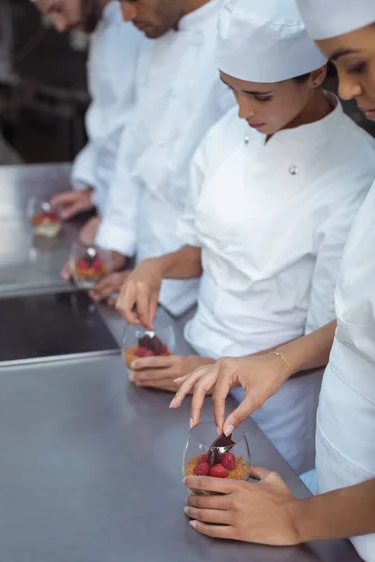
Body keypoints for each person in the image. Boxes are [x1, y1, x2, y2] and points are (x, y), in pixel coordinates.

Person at [115, 0, 375, 474]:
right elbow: (207, 250)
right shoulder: (226, 134)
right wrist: (157, 266)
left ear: (317, 73)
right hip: (190, 361)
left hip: (272, 404)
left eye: (259, 95)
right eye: (230, 91)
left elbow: (336, 335)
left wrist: (215, 370)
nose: (241, 112)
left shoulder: (355, 172)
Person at [172, 0, 375, 562]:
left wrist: (297, 519)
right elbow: (361, 318)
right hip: (336, 488)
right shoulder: (229, 134)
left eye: (355, 64)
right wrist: (279, 360)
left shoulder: (356, 169)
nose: (352, 90)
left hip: (328, 497)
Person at [88, 0, 234, 314]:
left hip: (206, 281)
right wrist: (116, 241)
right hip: (149, 260)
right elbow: (135, 142)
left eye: (132, 1)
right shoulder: (157, 34)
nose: (125, 16)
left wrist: (162, 276)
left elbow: (233, 190)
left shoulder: (238, 33)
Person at [32, 0, 142, 248]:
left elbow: (144, 137)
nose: (59, 26)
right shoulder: (102, 22)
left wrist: (116, 223)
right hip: (115, 207)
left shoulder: (141, 28)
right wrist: (95, 193)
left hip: (139, 223)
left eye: (58, 9)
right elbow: (108, 122)